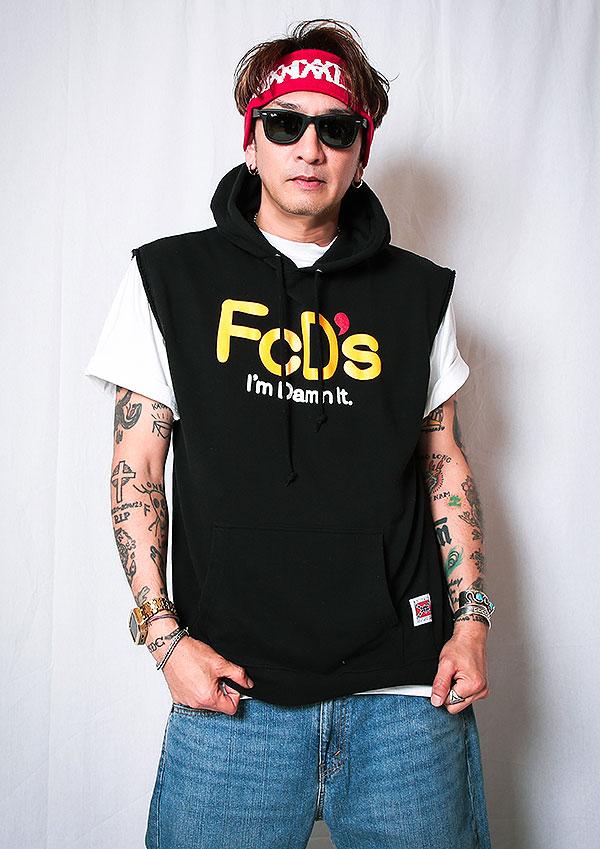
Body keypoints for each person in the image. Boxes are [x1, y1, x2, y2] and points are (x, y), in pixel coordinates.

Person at [85, 18, 494, 849]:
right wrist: (164, 639)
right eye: (285, 123)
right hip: (230, 694)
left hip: (405, 697)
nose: (310, 146)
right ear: (252, 141)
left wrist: (473, 620)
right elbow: (138, 463)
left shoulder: (419, 294)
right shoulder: (169, 278)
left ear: (361, 152)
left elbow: (444, 461)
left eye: (336, 128)